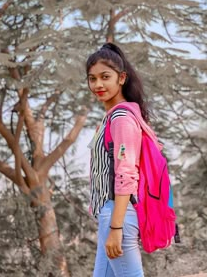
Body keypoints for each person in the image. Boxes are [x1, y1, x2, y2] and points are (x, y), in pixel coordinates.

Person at [86, 43, 148, 277]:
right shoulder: (111, 117)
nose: (98, 85)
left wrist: (115, 227)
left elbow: (126, 174)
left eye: (105, 77)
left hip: (118, 214)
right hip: (110, 213)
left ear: (121, 78)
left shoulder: (121, 118)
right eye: (92, 79)